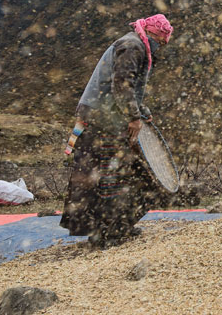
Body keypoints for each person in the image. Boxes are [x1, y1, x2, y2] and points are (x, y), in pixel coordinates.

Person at [60, 14, 173, 247]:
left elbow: (132, 88)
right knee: (110, 174)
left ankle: (116, 226)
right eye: (160, 42)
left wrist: (142, 111)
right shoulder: (132, 46)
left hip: (106, 116)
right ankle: (106, 232)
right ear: (152, 34)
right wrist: (134, 117)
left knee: (116, 172)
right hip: (103, 119)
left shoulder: (135, 44)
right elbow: (122, 85)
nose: (160, 47)